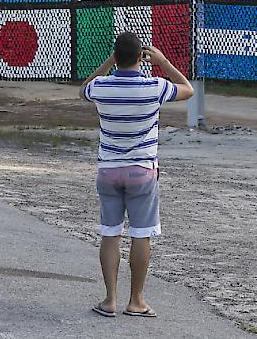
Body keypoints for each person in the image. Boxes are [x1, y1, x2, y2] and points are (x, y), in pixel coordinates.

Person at [80, 32, 194, 319]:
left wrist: (109, 62)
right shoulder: (154, 87)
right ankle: (137, 300)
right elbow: (188, 89)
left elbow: (83, 89)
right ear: (141, 59)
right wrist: (164, 62)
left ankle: (109, 300)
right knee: (141, 235)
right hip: (142, 171)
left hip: (108, 170)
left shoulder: (102, 87)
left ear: (116, 56)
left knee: (110, 234)